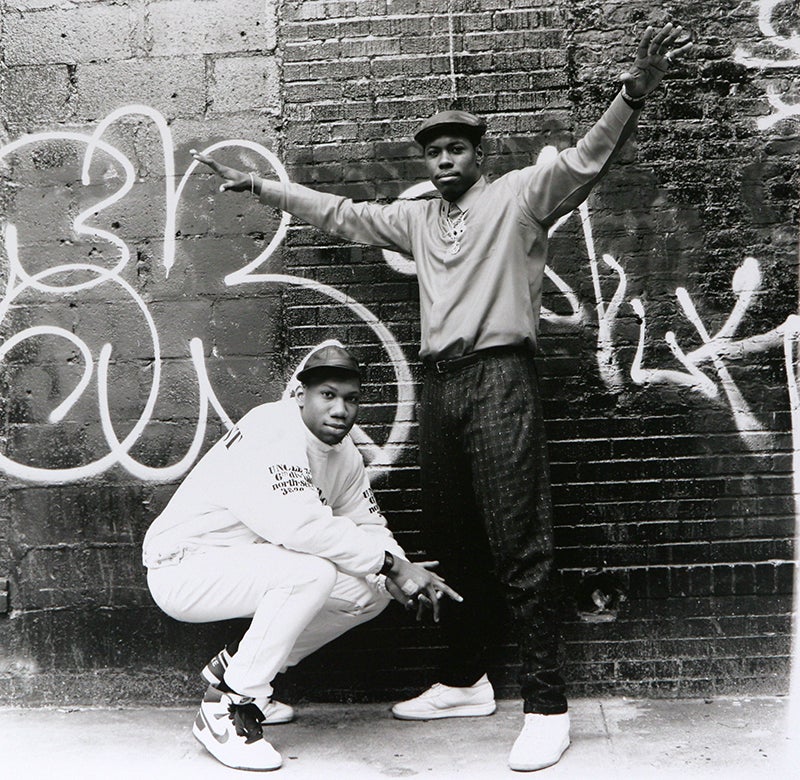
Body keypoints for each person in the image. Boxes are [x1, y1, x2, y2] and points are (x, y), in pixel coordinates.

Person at [191, 22, 693, 772]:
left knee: (520, 546)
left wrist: (632, 93)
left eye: (457, 147)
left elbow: (589, 158)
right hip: (443, 388)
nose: (445, 158)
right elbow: (339, 213)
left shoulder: (521, 195)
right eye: (434, 150)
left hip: (500, 380)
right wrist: (265, 187)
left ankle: (547, 705)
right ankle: (464, 680)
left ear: (479, 154)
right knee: (453, 542)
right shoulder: (420, 218)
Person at [142, 344, 461, 771]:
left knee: (369, 592)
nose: (340, 409)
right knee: (311, 571)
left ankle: (242, 674)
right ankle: (226, 708)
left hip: (241, 561)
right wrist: (393, 565)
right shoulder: (273, 429)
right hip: (183, 567)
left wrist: (393, 576)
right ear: (299, 395)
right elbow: (300, 527)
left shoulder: (345, 456)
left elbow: (368, 527)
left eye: (351, 399)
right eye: (327, 395)